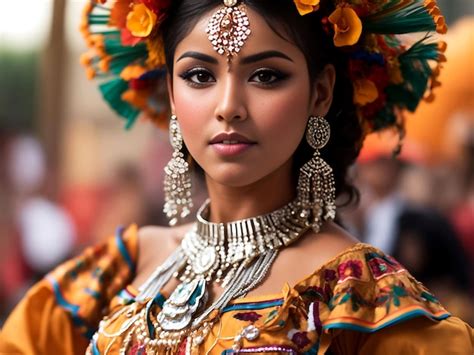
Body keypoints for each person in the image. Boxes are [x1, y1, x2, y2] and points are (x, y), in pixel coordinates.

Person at [0, 0, 472, 354]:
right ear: (170, 89)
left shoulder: (364, 302)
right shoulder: (116, 270)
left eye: (266, 76)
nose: (228, 106)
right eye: (199, 76)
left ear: (321, 93)